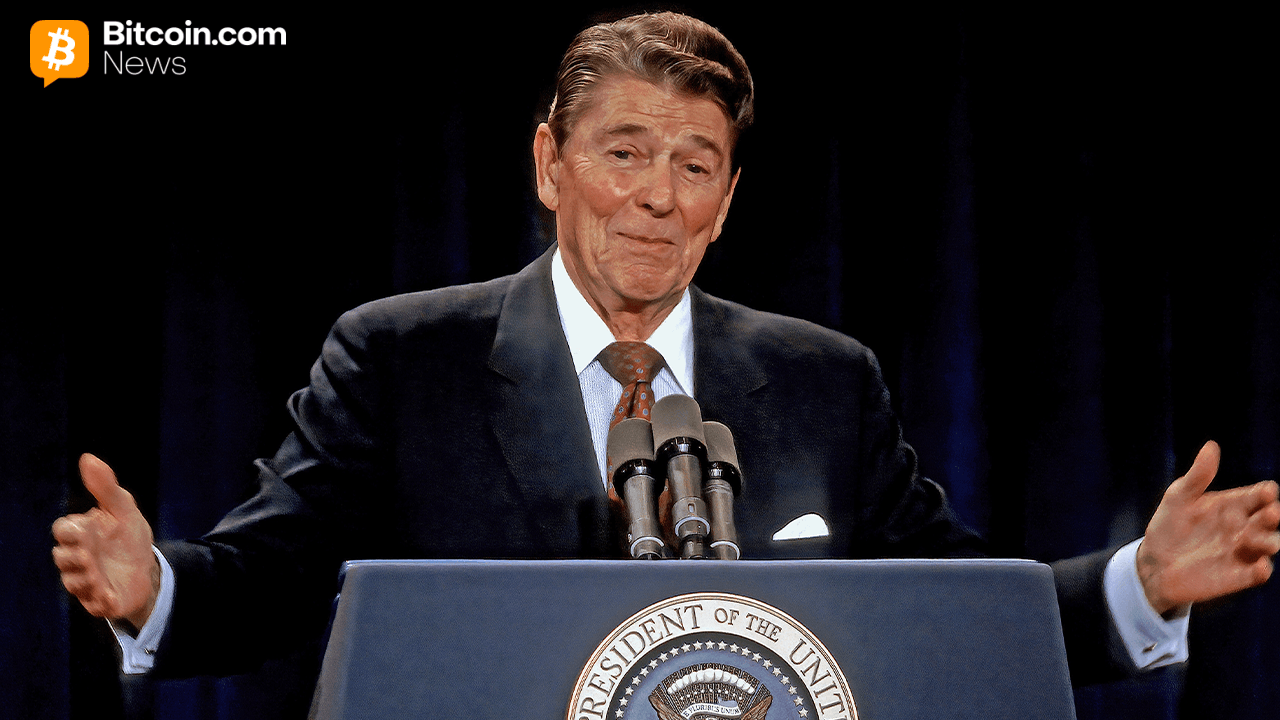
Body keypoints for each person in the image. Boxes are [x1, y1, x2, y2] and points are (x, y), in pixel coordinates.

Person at [52, 10, 1279, 693]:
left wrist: (1139, 582)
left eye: (694, 165)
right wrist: (154, 586)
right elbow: (269, 580)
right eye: (624, 153)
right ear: (551, 165)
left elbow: (951, 612)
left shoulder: (823, 381)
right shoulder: (402, 358)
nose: (656, 196)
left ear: (726, 200)